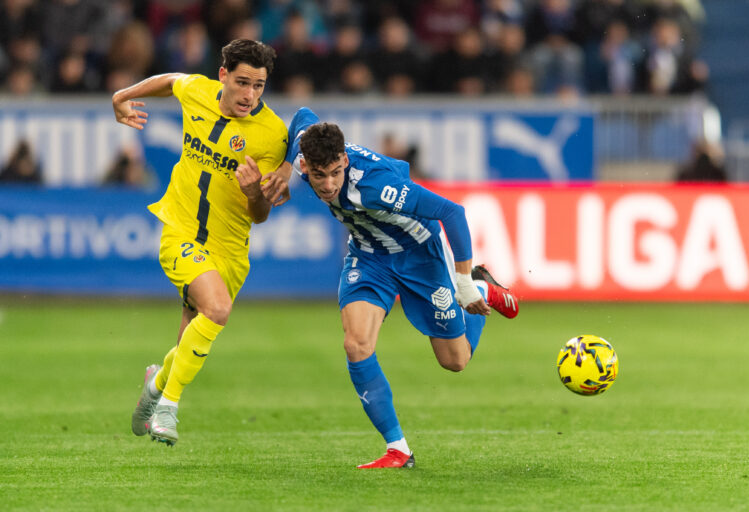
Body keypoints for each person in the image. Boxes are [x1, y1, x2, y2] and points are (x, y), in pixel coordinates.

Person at [257, 107, 519, 468]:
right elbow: (303, 115)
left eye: (335, 173)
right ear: (306, 165)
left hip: (420, 256)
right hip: (369, 257)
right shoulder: (305, 156)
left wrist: (462, 284)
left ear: (344, 160)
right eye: (319, 175)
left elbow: (452, 213)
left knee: (455, 361)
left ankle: (480, 286)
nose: (328, 185)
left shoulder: (376, 187)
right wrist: (286, 169)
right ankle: (398, 449)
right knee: (356, 344)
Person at [112, 38, 291, 446]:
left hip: (230, 249)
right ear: (223, 75)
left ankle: (157, 383)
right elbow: (171, 80)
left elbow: (260, 215)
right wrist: (123, 96)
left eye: (259, 86)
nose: (249, 95)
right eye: (242, 82)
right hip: (180, 231)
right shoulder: (198, 91)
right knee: (218, 308)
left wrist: (254, 193)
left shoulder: (272, 135)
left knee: (194, 334)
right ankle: (167, 408)